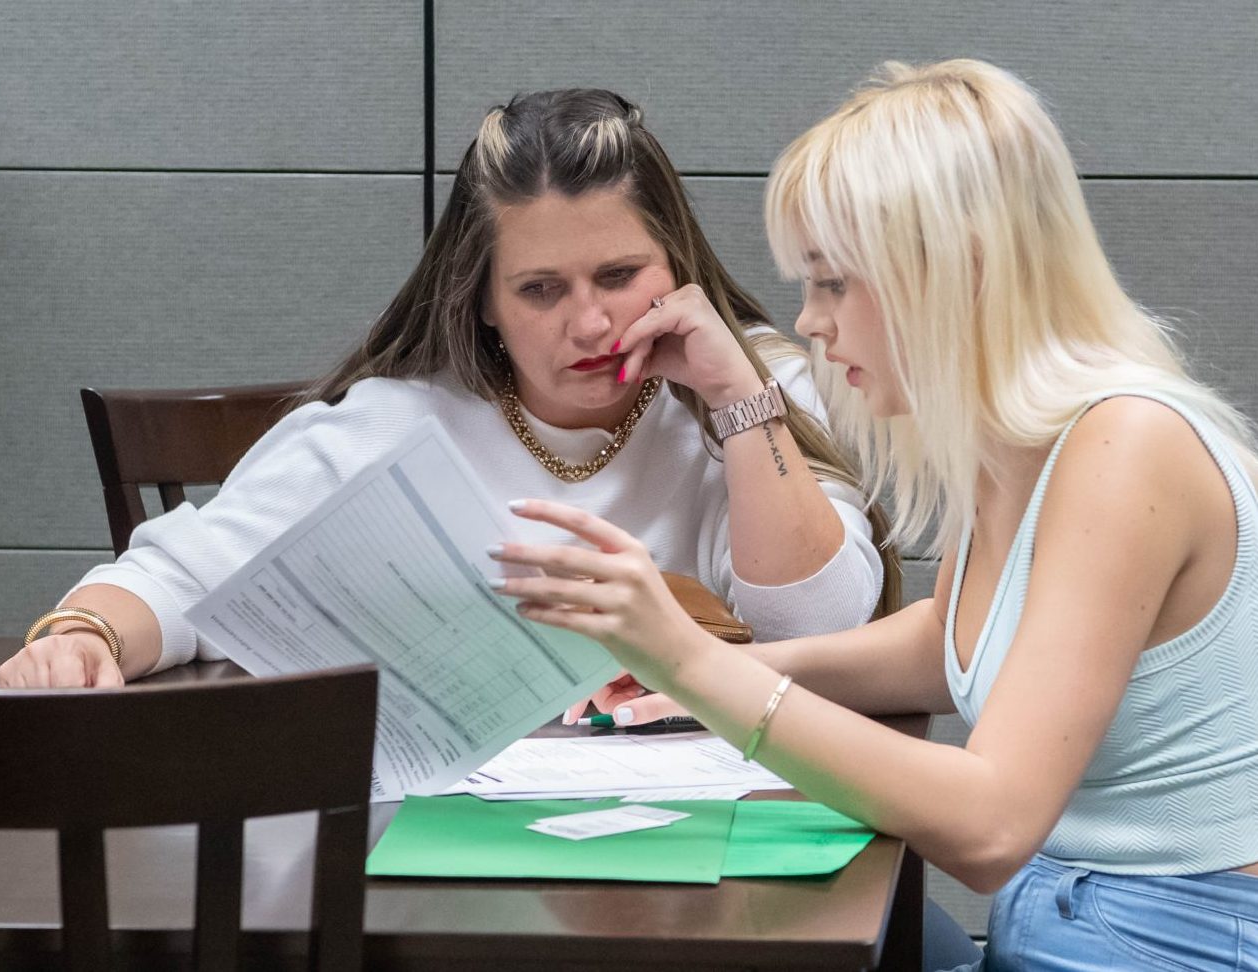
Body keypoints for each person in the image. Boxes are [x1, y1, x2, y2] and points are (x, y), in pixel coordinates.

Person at [490, 60, 1258, 971]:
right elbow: (967, 638)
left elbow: (990, 826)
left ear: (956, 269)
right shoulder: (1034, 440)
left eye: (833, 283)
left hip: (1169, 940)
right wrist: (684, 683)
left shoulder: (1126, 448)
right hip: (1071, 920)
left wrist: (697, 660)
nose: (808, 323)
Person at [0, 88, 896, 690]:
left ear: (678, 264)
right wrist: (81, 638)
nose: (589, 324)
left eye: (619, 274)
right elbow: (179, 581)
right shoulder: (397, 419)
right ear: (485, 303)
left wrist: (738, 400)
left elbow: (811, 627)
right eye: (540, 289)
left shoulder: (753, 385)